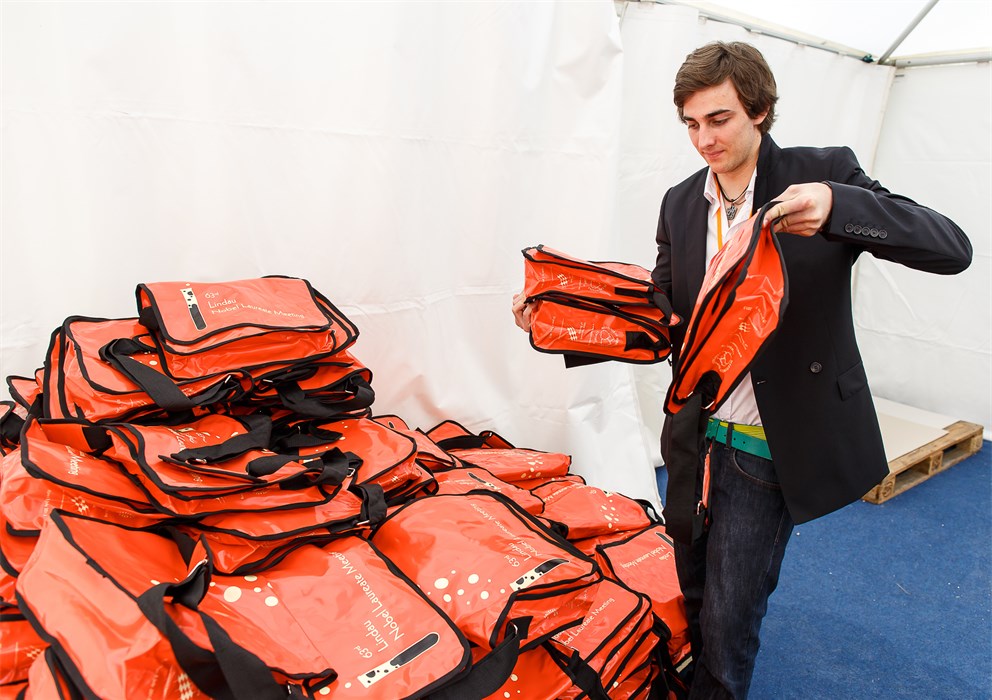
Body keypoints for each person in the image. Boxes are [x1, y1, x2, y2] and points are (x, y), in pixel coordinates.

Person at [512, 41, 972, 699]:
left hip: (769, 443)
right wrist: (562, 317)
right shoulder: (679, 202)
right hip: (694, 436)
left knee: (731, 622)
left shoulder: (821, 174)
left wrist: (839, 207)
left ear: (758, 110)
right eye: (691, 123)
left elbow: (951, 248)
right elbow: (666, 317)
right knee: (694, 591)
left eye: (719, 119)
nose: (704, 139)